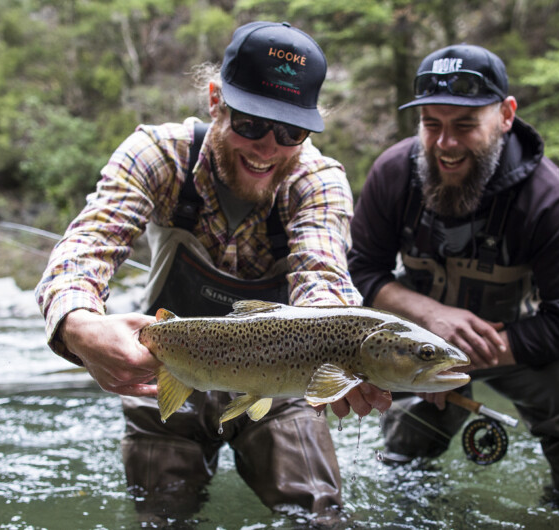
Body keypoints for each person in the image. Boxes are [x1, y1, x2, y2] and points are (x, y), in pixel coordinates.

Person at [35, 21, 389, 523]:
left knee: (318, 518)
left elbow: (324, 284)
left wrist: (352, 353)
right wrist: (79, 324)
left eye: (290, 131)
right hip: (164, 376)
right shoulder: (158, 155)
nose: (267, 147)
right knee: (162, 519)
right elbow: (86, 248)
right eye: (250, 122)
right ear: (215, 100)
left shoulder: (318, 181)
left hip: (280, 383)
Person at [348, 43, 559, 505]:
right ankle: (406, 494)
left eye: (464, 125)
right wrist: (430, 318)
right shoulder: (392, 175)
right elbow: (360, 270)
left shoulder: (548, 198)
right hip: (419, 343)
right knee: (406, 456)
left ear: (505, 115)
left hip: (510, 341)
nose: (446, 143)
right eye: (431, 125)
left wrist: (463, 359)